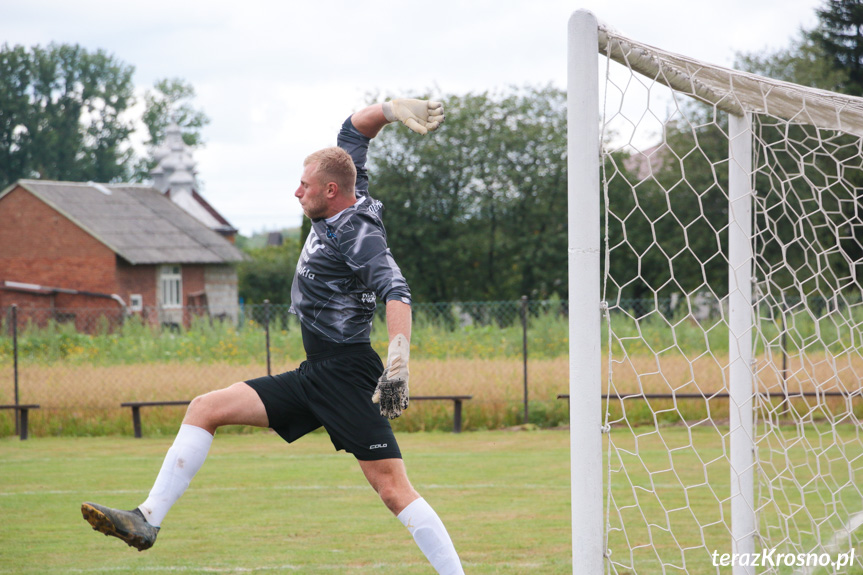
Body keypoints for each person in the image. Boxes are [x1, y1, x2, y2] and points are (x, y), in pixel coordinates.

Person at [81, 98, 465, 575]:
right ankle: (147, 520)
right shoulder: (345, 186)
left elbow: (397, 290)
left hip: (347, 375)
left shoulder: (357, 232)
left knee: (393, 490)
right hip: (316, 373)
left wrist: (399, 362)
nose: (296, 192)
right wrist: (390, 108)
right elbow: (353, 131)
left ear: (329, 190)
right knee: (206, 407)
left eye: (304, 186)